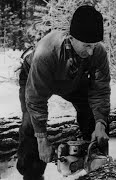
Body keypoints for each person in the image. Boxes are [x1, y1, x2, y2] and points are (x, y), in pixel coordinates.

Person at [16, 5, 110, 180]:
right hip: (35, 75)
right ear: (72, 38)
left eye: (94, 45)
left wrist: (100, 123)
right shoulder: (47, 51)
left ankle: (96, 167)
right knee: (31, 124)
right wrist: (42, 139)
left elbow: (100, 90)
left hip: (73, 78)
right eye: (87, 45)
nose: (91, 51)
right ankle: (32, 173)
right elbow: (36, 100)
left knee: (93, 114)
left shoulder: (97, 52)